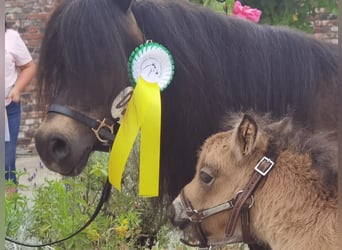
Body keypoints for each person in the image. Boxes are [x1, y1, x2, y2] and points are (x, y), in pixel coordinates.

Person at [5, 22, 37, 190]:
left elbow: (29, 67)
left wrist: (16, 89)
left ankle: (10, 214)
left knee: (7, 165)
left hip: (7, 110)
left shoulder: (10, 37)